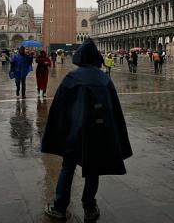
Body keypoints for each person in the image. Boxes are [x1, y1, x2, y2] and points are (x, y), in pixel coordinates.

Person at [41, 39, 132, 221]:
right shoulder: (104, 79)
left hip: (74, 133)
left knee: (67, 167)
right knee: (94, 169)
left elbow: (59, 107)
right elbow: (113, 109)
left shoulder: (72, 78)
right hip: (98, 133)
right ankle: (89, 207)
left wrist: (59, 131)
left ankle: (59, 208)